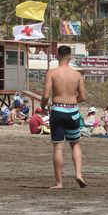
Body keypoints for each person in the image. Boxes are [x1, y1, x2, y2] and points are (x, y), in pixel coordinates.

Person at [41, 44, 88, 189]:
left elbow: (46, 95)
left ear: (57, 56)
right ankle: (79, 174)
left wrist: (43, 106)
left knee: (58, 147)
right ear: (70, 57)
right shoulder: (76, 74)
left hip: (58, 110)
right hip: (72, 111)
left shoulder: (52, 73)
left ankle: (59, 182)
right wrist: (72, 101)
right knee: (75, 144)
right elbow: (83, 97)